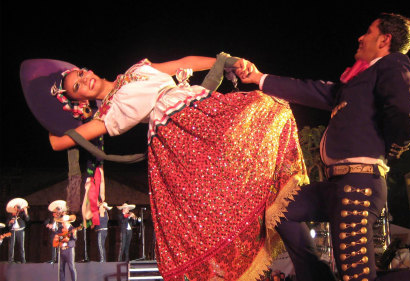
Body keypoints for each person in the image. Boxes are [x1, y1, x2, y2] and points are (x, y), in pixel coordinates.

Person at [237, 12, 410, 281]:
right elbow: (312, 90)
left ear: (385, 39)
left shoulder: (393, 63)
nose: (361, 37)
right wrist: (259, 78)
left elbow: (401, 109)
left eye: (369, 32)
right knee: (280, 210)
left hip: (358, 183)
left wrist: (395, 145)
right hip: (336, 185)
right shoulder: (353, 84)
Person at [21, 52, 308, 280]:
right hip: (176, 136)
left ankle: (274, 206)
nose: (85, 80)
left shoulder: (137, 70)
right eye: (77, 86)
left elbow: (184, 64)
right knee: (209, 203)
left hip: (202, 108)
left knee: (270, 108)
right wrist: (48, 110)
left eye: (81, 74)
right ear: (79, 98)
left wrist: (228, 61)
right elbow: (60, 142)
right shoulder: (107, 116)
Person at [54, 214, 78, 281]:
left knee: (71, 267)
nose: (62, 223)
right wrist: (62, 240)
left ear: (67, 222)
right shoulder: (60, 229)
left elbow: (74, 239)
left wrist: (74, 235)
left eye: (63, 222)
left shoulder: (72, 229)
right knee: (61, 268)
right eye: (62, 222)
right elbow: (58, 237)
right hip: (62, 250)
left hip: (69, 250)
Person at [6, 199, 30, 263]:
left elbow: (27, 219)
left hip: (20, 231)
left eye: (17, 207)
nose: (16, 208)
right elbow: (7, 224)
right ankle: (10, 260)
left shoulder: (21, 214)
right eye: (15, 207)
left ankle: (23, 260)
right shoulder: (10, 215)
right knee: (11, 246)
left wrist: (26, 211)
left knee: (21, 246)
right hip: (13, 231)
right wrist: (10, 222)